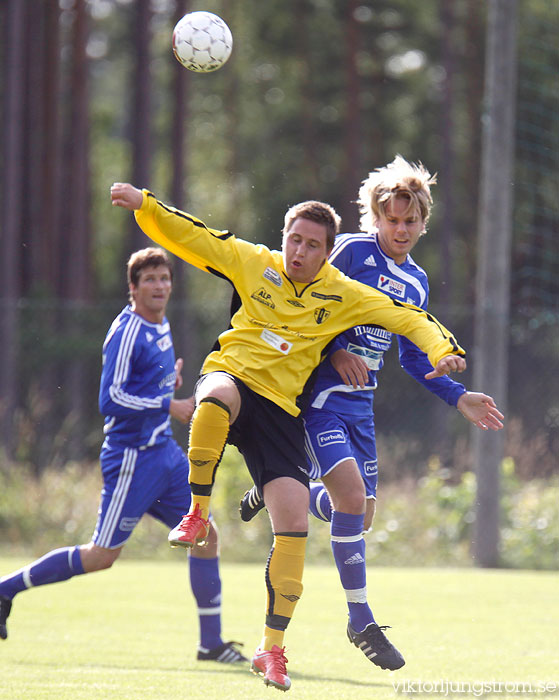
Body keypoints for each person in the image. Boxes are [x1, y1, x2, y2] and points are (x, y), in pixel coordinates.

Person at [110, 182, 467, 692]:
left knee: (295, 527)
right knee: (213, 397)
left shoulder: (344, 292)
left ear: (328, 253)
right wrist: (145, 205)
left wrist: (442, 352)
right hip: (233, 378)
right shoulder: (255, 262)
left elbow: (408, 318)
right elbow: (194, 236)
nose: (299, 251)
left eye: (312, 245)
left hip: (280, 413)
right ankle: (197, 512)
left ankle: (270, 649)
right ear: (284, 238)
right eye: (294, 240)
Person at [240, 155, 504, 671]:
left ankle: (276, 485)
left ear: (423, 223)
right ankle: (360, 619)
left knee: (359, 515)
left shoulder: (418, 283)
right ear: (375, 219)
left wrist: (458, 394)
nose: (401, 229)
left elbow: (409, 354)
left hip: (360, 409)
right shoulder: (352, 252)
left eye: (410, 221)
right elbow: (310, 300)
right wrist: (335, 350)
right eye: (392, 220)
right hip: (318, 396)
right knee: (353, 500)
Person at [0, 247, 246, 665]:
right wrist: (169, 404)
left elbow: (144, 385)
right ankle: (5, 589)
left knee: (206, 534)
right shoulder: (126, 330)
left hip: (164, 454)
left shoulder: (160, 323)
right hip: (132, 459)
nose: (159, 286)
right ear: (133, 288)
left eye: (164, 279)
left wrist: (168, 384)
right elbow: (109, 398)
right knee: (101, 557)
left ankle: (211, 643)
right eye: (149, 280)